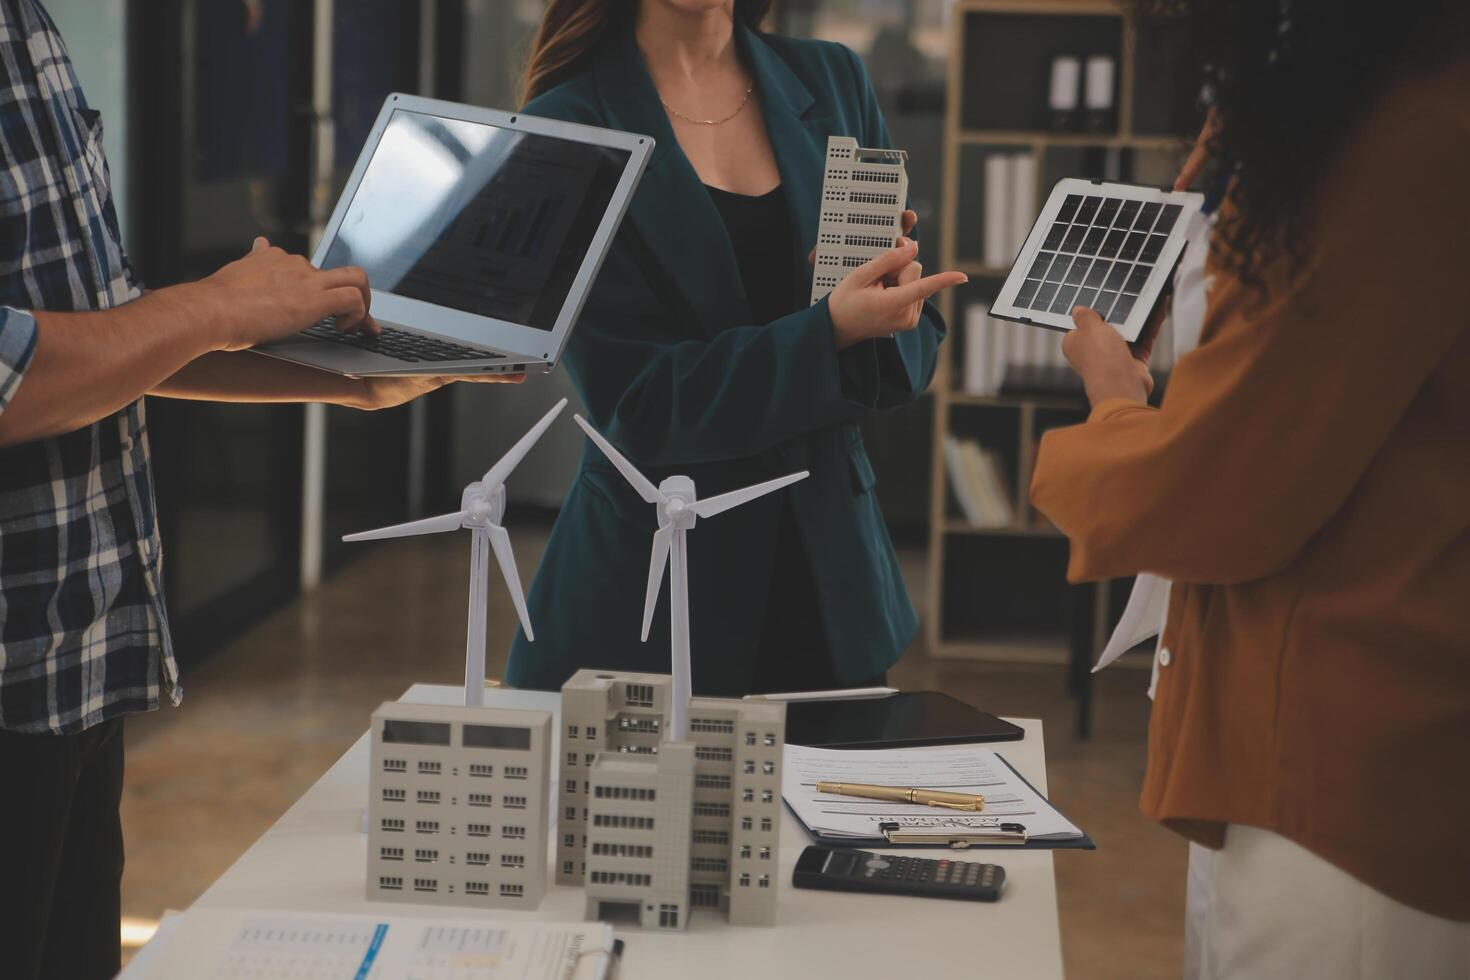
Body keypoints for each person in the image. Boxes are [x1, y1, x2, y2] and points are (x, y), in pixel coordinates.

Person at [0, 2, 517, 976]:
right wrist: (224, 304)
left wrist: (340, 375)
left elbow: (93, 333)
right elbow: (15, 375)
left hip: (71, 667)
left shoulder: (30, 29)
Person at [1030, 1, 1470, 976]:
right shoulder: (1357, 100)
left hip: (1338, 770)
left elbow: (1215, 484)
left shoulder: (1398, 138)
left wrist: (1109, 410)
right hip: (1309, 733)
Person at [503, 0, 964, 697]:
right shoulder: (569, 123)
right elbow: (640, 404)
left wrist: (890, 310)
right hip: (656, 595)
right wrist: (829, 330)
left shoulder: (834, 78)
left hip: (833, 594)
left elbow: (906, 362)